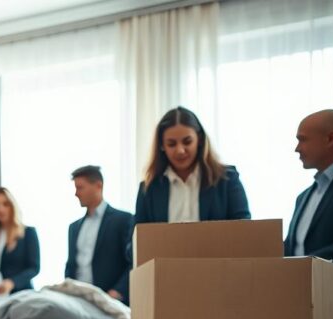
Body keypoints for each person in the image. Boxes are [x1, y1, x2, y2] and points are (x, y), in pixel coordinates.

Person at [134, 106, 250, 225]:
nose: (180, 150)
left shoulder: (227, 180)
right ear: (162, 146)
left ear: (199, 140)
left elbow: (244, 231)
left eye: (187, 142)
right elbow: (137, 239)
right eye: (171, 144)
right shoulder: (148, 189)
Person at [65, 165, 133, 301]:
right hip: (77, 301)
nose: (76, 193)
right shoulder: (74, 227)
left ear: (98, 185)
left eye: (80, 187)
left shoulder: (123, 220)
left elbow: (133, 261)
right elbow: (71, 265)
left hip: (110, 302)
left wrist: (117, 292)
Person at [286, 109, 333, 261]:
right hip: (302, 284)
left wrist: (303, 265)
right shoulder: (303, 197)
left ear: (330, 139)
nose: (297, 149)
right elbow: (293, 249)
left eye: (302, 139)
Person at [0, 187, 40, 294]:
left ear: (12, 206)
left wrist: (12, 282)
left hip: (20, 295)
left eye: (5, 204)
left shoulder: (27, 233)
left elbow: (34, 268)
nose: (0, 209)